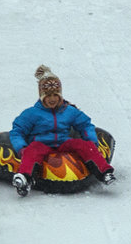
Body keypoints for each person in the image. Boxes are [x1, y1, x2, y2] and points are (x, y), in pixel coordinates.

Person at [9, 65, 115, 197]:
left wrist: (91, 141)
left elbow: (85, 125)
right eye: (48, 95)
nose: (52, 99)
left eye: (55, 95)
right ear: (42, 96)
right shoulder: (32, 113)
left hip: (63, 143)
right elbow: (17, 131)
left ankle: (104, 172)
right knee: (32, 150)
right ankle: (25, 178)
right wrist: (21, 147)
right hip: (42, 143)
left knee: (84, 145)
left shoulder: (68, 111)